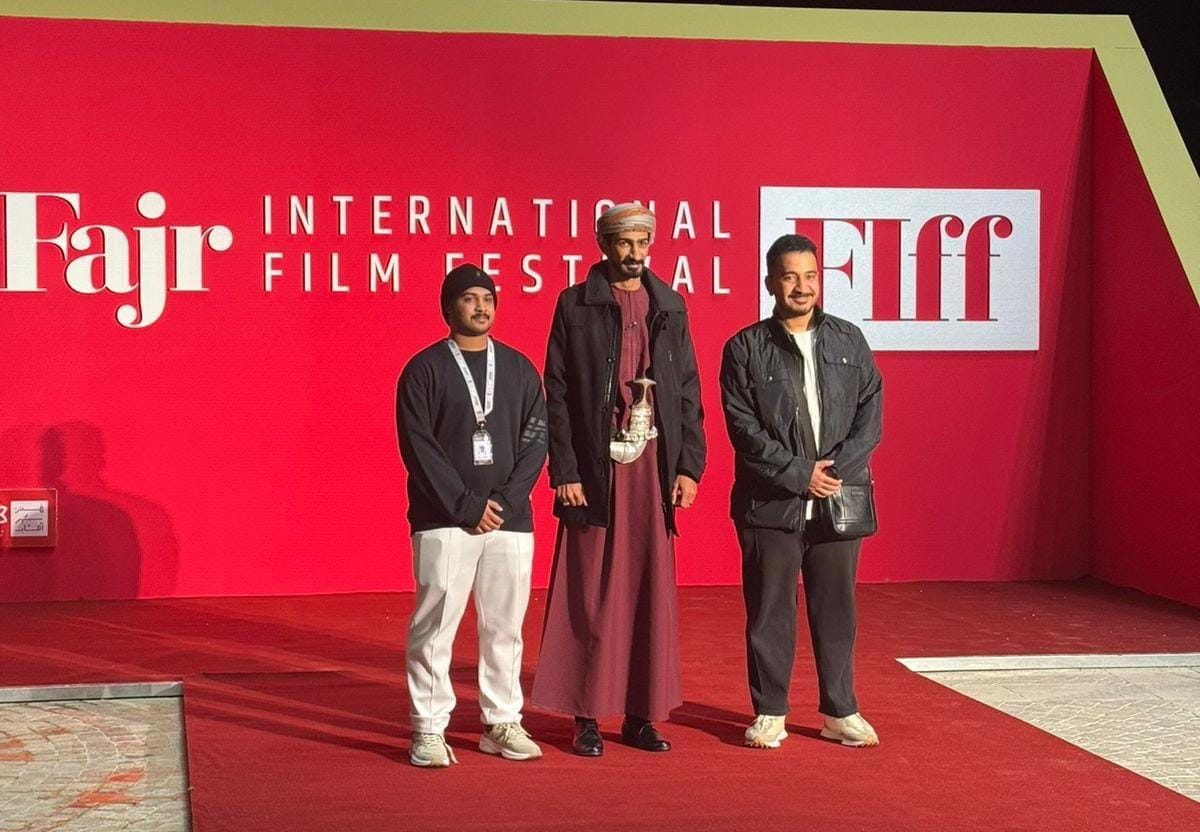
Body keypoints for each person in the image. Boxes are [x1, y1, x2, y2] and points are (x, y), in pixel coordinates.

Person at [531, 202, 706, 756]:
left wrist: (689, 466)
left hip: (652, 468)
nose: (634, 253)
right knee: (589, 591)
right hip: (594, 470)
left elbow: (688, 390)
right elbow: (556, 393)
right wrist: (565, 470)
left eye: (641, 242)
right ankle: (585, 715)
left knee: (646, 591)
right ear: (604, 244)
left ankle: (640, 714)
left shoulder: (670, 305)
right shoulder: (574, 304)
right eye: (624, 242)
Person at [719, 233, 883, 749]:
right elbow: (743, 429)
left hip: (839, 498)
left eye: (810, 276)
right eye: (790, 277)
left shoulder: (850, 340)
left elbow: (870, 416)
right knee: (770, 610)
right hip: (770, 502)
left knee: (837, 611)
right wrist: (797, 474)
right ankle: (770, 712)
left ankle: (840, 711)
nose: (802, 287)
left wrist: (831, 474)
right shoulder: (744, 348)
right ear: (771, 282)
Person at [396, 263, 548, 767]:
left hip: (510, 520)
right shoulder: (423, 370)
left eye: (488, 298)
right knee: (435, 625)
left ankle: (501, 721)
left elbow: (536, 438)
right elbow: (419, 448)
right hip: (444, 519)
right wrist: (466, 506)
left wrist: (504, 503)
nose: (481, 307)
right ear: (448, 308)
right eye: (469, 298)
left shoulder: (520, 369)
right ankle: (428, 728)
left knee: (505, 627)